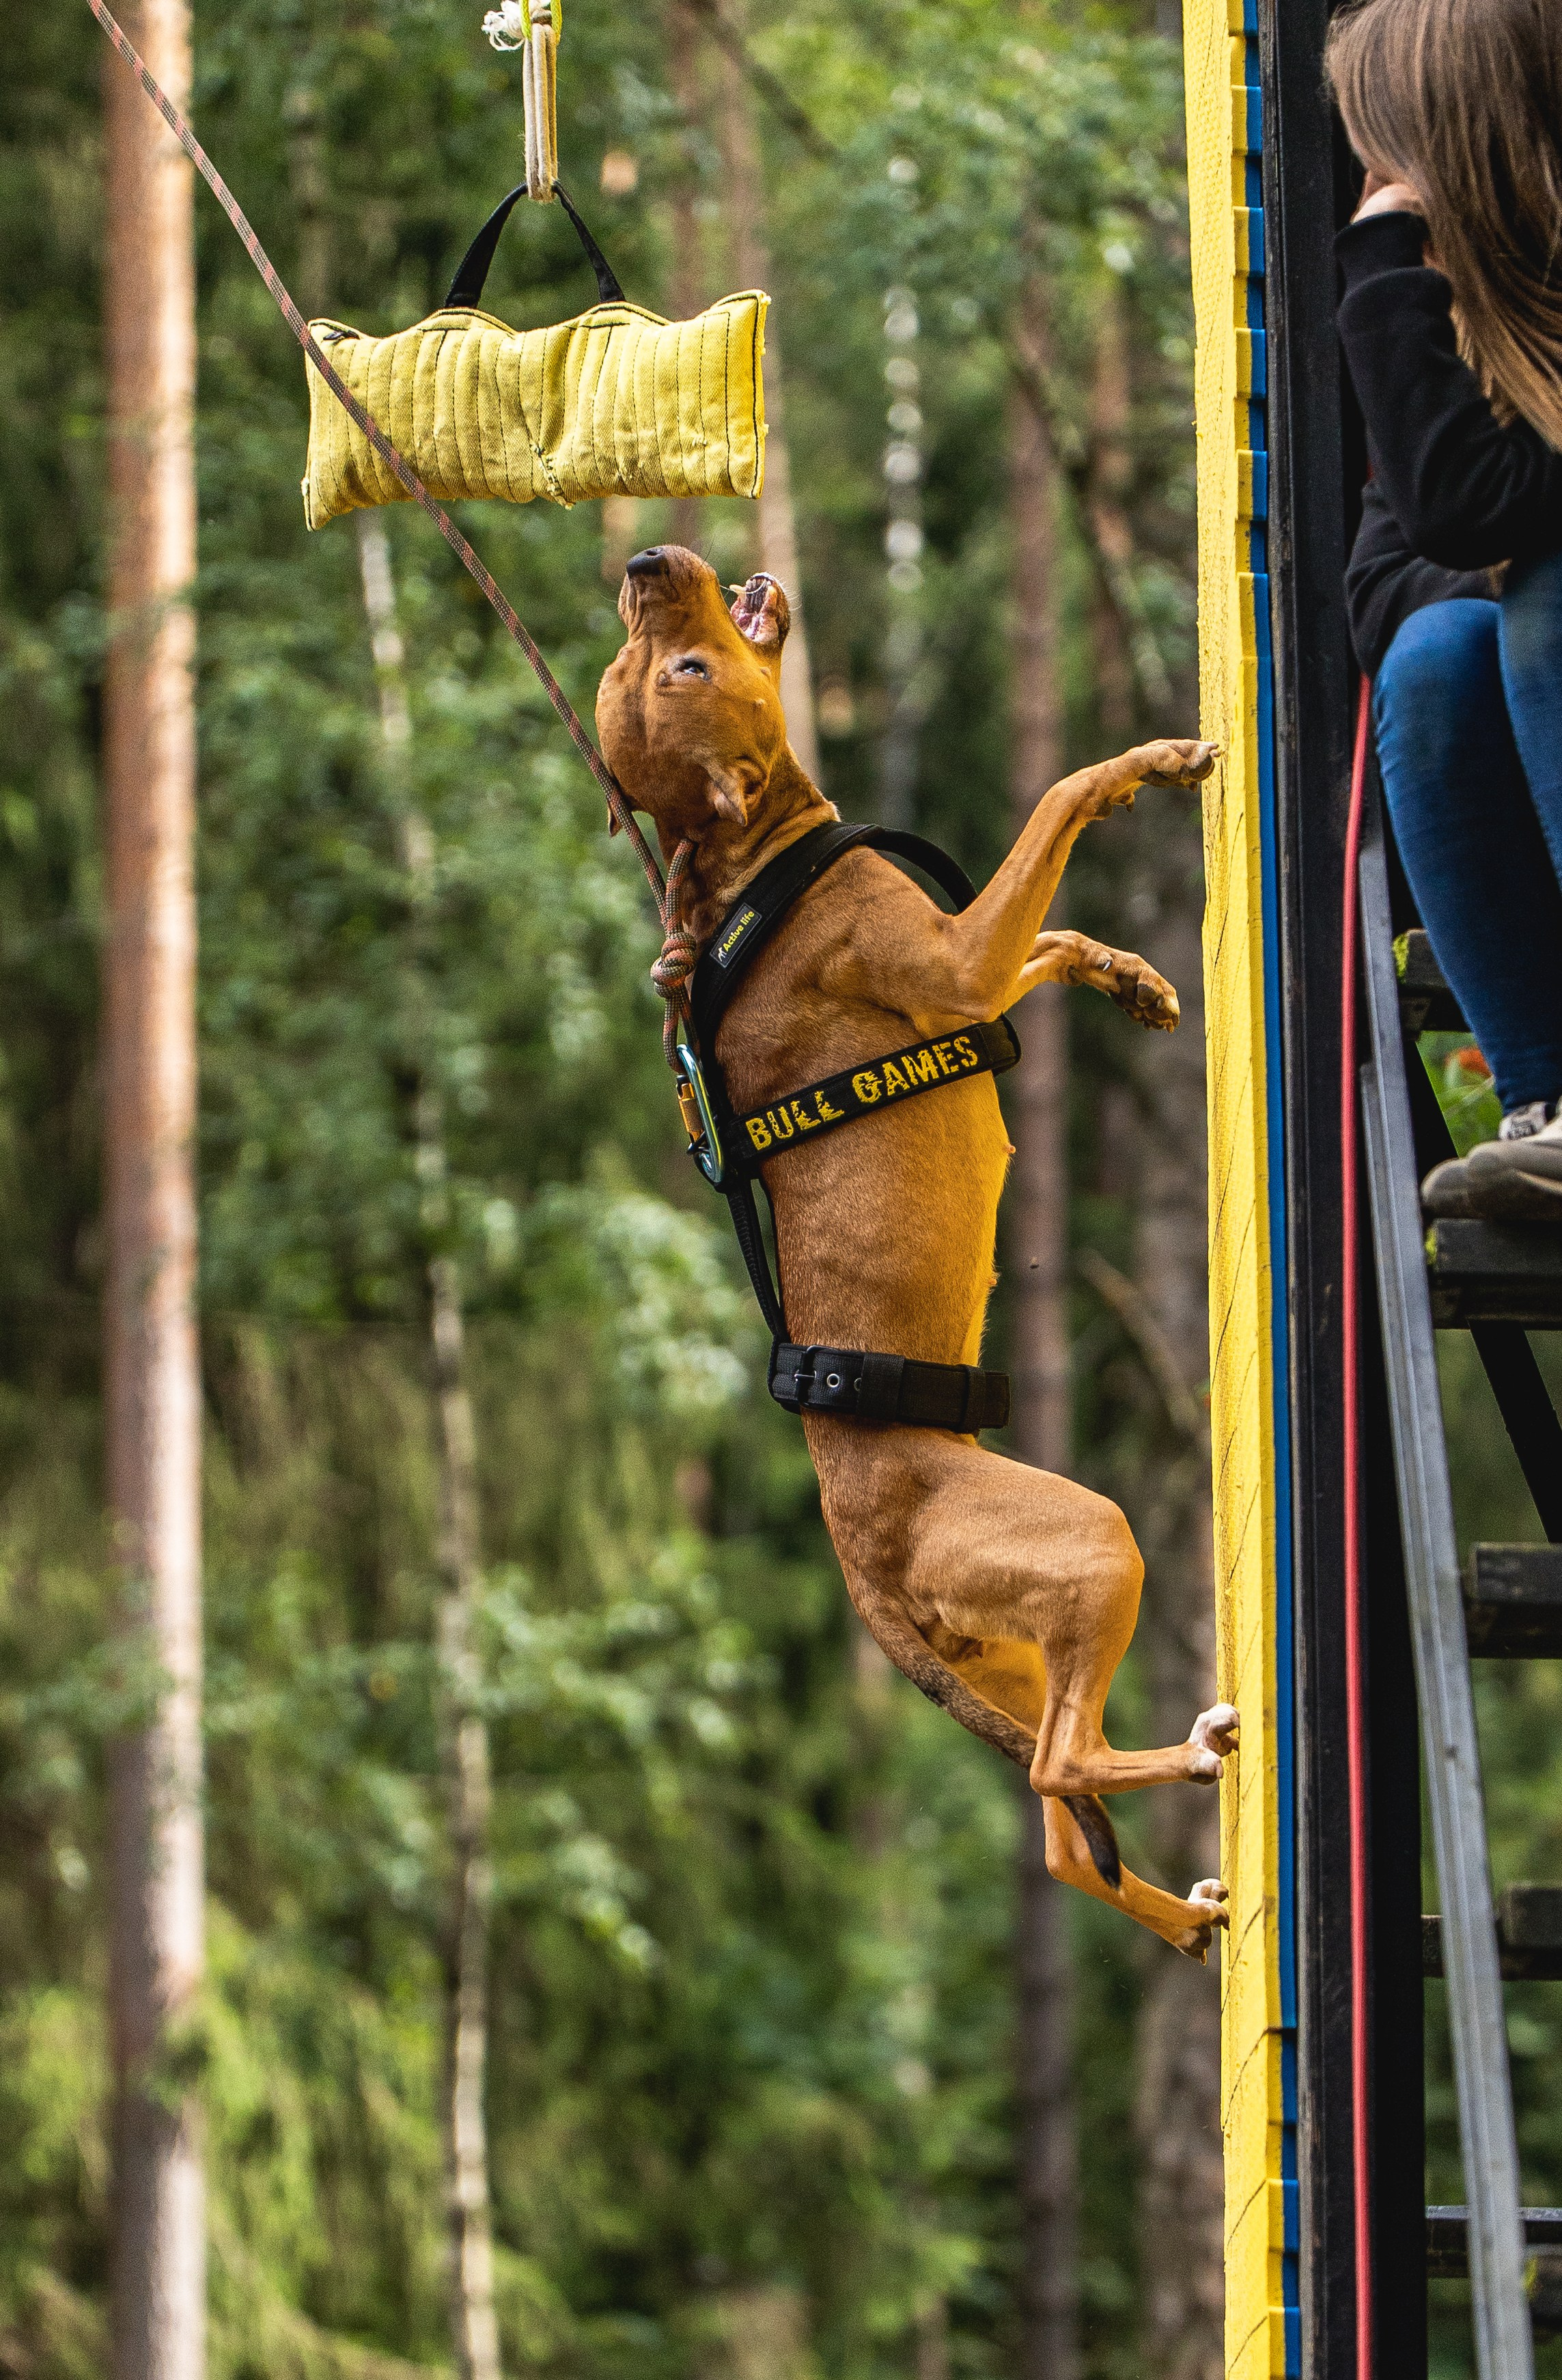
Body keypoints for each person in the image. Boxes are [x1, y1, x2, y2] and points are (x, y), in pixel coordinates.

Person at [1326, 0, 1562, 1218]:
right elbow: (1388, 589)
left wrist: (1381, 270)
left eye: (1387, 166)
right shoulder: (1477, 347)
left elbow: (1476, 526)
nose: (1374, 197)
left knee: (1545, 605)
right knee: (1433, 655)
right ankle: (1549, 1102)